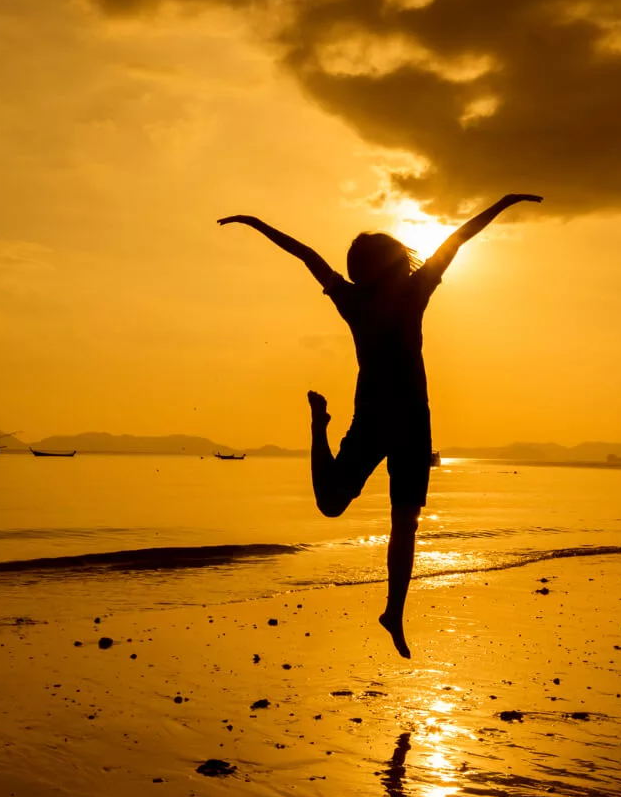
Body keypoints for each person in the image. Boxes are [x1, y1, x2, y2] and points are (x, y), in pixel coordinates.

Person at [219, 193, 542, 657]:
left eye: (357, 262)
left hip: (407, 421)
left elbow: (458, 238)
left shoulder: (408, 292)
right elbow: (307, 254)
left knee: (405, 521)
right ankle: (318, 427)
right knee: (333, 505)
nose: (351, 270)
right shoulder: (366, 298)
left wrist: (503, 203)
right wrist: (256, 222)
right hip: (378, 419)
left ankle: (394, 610)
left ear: (373, 265)